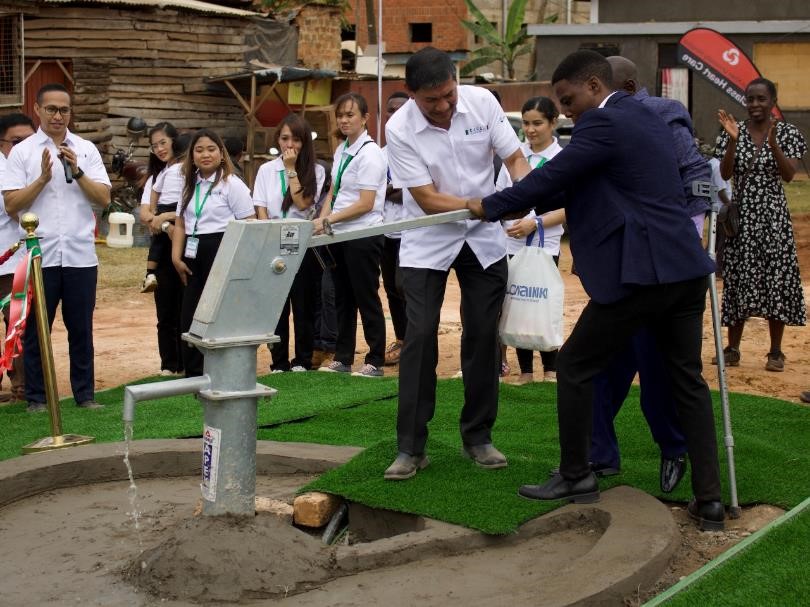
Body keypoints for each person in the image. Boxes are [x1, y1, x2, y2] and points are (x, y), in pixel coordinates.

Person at [469, 50, 725, 531]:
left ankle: (576, 475)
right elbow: (586, 187)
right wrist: (523, 201)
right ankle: (709, 501)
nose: (564, 111)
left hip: (642, 275)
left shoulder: (600, 125)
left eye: (568, 100)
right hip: (685, 270)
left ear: (593, 85)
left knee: (575, 364)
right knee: (686, 379)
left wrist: (483, 206)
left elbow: (555, 177)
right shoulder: (647, 117)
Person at [383, 47, 531, 480]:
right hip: (428, 238)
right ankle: (410, 447)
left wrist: (525, 191)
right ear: (411, 95)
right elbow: (426, 198)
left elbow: (515, 159)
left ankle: (478, 436)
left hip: (484, 239)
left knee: (484, 334)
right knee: (421, 334)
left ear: (456, 79)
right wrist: (483, 205)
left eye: (449, 95)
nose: (444, 106)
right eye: (432, 101)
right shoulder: (399, 128)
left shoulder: (483, 102)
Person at [580, 55, 712, 494]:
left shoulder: (661, 114)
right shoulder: (594, 122)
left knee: (657, 369)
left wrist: (694, 230)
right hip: (618, 264)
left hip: (662, 267)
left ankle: (674, 448)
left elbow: (695, 172)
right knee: (601, 367)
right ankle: (600, 455)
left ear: (628, 87)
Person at [3, 83, 112, 412]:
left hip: (80, 256)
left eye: (64, 109)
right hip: (40, 256)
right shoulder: (23, 152)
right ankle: (36, 397)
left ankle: (85, 395)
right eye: (51, 108)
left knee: (81, 329)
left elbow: (103, 198)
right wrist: (41, 178)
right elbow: (11, 205)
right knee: (37, 330)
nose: (57, 115)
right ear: (37, 109)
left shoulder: (85, 149)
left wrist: (76, 170)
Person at [715, 78, 806, 372]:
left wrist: (773, 144)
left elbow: (789, 175)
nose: (755, 105)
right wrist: (732, 141)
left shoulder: (788, 132)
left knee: (775, 279)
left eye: (761, 99)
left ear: (773, 101)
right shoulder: (734, 130)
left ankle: (776, 352)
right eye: (750, 99)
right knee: (739, 279)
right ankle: (732, 348)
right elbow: (726, 173)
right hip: (742, 220)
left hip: (773, 218)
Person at [313, 93, 388, 378]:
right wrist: (322, 218)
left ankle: (375, 359)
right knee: (342, 297)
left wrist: (329, 219)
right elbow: (336, 190)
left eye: (350, 115)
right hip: (338, 234)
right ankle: (343, 357)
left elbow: (366, 203)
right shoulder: (342, 149)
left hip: (363, 234)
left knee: (366, 296)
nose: (344, 120)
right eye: (340, 115)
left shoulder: (370, 154)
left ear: (365, 118)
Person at [172, 129, 256, 377]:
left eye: (211, 149)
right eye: (199, 150)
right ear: (192, 155)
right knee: (191, 316)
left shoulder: (232, 184)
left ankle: (225, 373)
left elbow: (249, 223)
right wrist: (176, 257)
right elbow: (180, 223)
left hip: (223, 253)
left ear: (221, 154)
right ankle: (195, 374)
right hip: (192, 256)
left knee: (220, 317)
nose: (205, 154)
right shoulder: (189, 184)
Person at [494, 96, 565, 384]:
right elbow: (501, 195)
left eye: (538, 123)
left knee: (542, 302)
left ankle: (551, 369)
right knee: (517, 303)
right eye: (526, 123)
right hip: (511, 244)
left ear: (553, 123)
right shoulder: (515, 157)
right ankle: (525, 371)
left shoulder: (563, 159)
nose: (531, 129)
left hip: (545, 245)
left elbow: (570, 207)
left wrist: (534, 223)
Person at [254, 113, 326, 372]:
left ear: (305, 142)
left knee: (303, 304)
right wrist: (266, 236)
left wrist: (291, 169)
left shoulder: (315, 170)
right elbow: (260, 208)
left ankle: (303, 360)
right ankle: (279, 361)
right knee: (276, 307)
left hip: (302, 242)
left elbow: (303, 203)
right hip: (272, 240)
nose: (289, 145)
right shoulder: (265, 170)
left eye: (296, 139)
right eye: (285, 138)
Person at [139, 123, 188, 376]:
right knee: (165, 309)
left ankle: (188, 362)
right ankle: (169, 363)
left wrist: (167, 217)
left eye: (163, 143)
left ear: (175, 143)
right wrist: (160, 221)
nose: (159, 149)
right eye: (154, 145)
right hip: (164, 240)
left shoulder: (191, 170)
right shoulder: (157, 177)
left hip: (188, 242)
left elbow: (191, 206)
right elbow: (146, 211)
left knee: (187, 308)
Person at [0, 113, 35, 403]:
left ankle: (22, 388)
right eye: (16, 141)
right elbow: (13, 208)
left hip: (18, 261)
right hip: (6, 256)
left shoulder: (35, 165)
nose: (24, 145)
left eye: (29, 139)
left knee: (18, 326)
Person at [380, 91, 409, 366]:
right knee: (390, 287)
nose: (395, 113)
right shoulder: (380, 154)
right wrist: (391, 191)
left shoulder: (418, 148)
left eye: (401, 108)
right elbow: (378, 191)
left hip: (411, 230)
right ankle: (401, 339)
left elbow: (413, 192)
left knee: (405, 286)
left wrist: (386, 191)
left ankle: (415, 339)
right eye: (391, 109)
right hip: (384, 229)